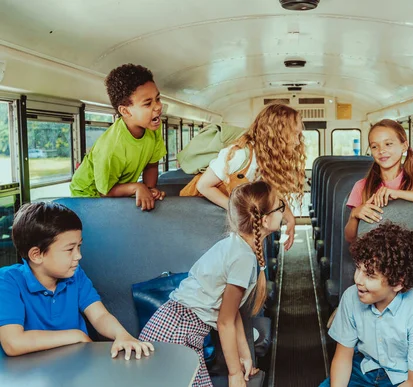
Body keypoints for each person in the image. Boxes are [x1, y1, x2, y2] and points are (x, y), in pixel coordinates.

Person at [139, 181, 283, 387]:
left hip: (175, 328)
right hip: (176, 334)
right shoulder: (243, 257)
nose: (283, 212)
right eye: (280, 207)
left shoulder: (236, 245)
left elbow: (232, 313)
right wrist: (234, 374)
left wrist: (245, 355)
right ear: (266, 220)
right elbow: (225, 321)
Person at [0, 202, 153, 359]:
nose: (78, 256)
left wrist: (121, 335)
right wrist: (76, 335)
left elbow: (100, 316)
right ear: (37, 255)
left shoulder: (75, 275)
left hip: (75, 366)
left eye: (79, 246)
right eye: (70, 249)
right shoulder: (8, 281)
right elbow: (13, 343)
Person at [321, 222, 413, 387]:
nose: (358, 280)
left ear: (397, 282)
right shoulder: (351, 296)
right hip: (364, 369)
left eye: (370, 276)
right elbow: (343, 356)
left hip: (401, 377)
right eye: (358, 268)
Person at [195, 103, 306, 250]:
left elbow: (272, 191)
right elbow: (203, 185)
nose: (297, 141)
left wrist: (290, 218)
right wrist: (238, 210)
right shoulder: (240, 155)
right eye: (294, 134)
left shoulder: (267, 158)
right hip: (212, 221)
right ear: (278, 134)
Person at [70, 64, 167, 211]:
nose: (158, 106)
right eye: (148, 103)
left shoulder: (152, 128)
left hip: (114, 191)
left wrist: (149, 189)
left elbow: (152, 164)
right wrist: (136, 187)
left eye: (157, 98)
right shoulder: (112, 147)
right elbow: (105, 191)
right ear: (125, 111)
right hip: (88, 197)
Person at [344, 119, 413, 243]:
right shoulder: (361, 186)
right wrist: (354, 215)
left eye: (388, 144)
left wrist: (397, 193)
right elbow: (350, 239)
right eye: (374, 146)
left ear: (404, 146)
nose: (381, 150)